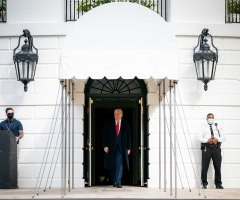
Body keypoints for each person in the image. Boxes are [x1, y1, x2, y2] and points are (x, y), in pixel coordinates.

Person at [102, 108, 131, 188]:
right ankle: (115, 181)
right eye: (115, 114)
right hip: (111, 147)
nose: (116, 115)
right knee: (112, 165)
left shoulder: (126, 123)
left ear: (121, 115)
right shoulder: (108, 123)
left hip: (121, 147)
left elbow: (129, 136)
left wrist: (129, 148)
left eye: (118, 114)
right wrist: (105, 145)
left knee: (119, 163)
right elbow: (104, 135)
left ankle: (118, 181)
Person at [199, 113, 225, 189]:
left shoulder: (218, 126)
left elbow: (224, 136)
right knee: (205, 166)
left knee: (217, 166)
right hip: (207, 148)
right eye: (209, 117)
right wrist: (207, 140)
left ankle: (218, 184)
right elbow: (199, 137)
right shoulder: (203, 127)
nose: (211, 119)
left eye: (212, 117)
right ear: (206, 119)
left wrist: (218, 139)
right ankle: (204, 184)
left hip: (216, 148)